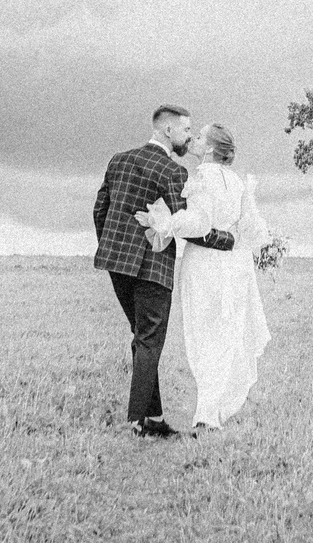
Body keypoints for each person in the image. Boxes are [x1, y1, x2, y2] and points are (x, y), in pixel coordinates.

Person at [91, 105, 232, 438]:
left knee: (142, 338)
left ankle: (153, 419)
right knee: (149, 340)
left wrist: (111, 246)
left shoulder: (118, 160)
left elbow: (100, 208)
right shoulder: (172, 171)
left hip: (115, 263)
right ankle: (136, 421)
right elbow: (189, 226)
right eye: (186, 130)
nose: (189, 137)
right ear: (168, 130)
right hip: (152, 266)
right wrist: (230, 240)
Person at [158, 123, 270, 432]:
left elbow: (199, 223)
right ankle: (213, 408)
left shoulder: (203, 177)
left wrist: (168, 223)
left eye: (199, 136)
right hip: (233, 266)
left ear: (209, 148)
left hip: (205, 264)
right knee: (224, 333)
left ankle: (206, 414)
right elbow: (251, 228)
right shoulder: (236, 181)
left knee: (203, 333)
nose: (192, 139)